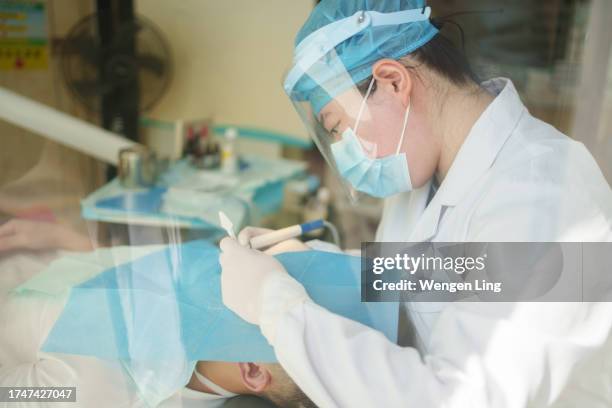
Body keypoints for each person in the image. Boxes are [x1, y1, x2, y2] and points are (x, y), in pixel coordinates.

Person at [219, 0, 612, 407]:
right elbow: (439, 278)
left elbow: (458, 398)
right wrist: (312, 261)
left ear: (392, 81)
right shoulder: (426, 171)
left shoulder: (545, 199)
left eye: (338, 127)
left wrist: (275, 305)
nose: (341, 150)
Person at [0, 219, 315, 408]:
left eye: (270, 281)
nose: (252, 257)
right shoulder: (201, 284)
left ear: (252, 369)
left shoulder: (96, 389)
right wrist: (67, 241)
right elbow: (131, 272)